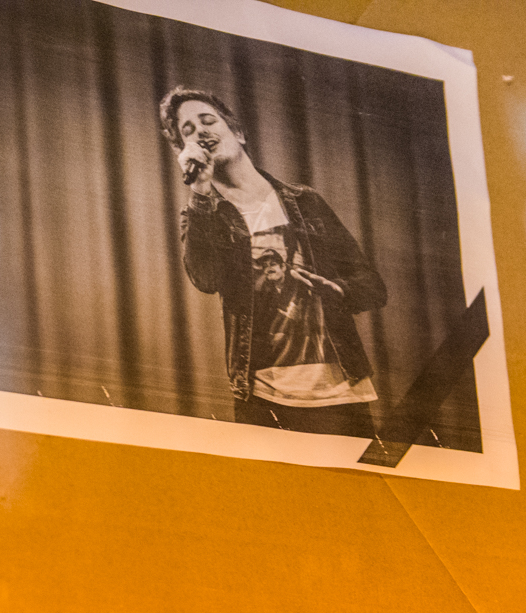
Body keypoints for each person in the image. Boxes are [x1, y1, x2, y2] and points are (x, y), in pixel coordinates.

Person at [159, 87, 388, 437]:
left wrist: (338, 291)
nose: (201, 131)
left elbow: (373, 286)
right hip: (264, 398)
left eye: (208, 121)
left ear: (238, 132)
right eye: (188, 130)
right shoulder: (202, 213)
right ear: (183, 152)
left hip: (343, 390)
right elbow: (205, 279)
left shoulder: (305, 201)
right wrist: (200, 192)